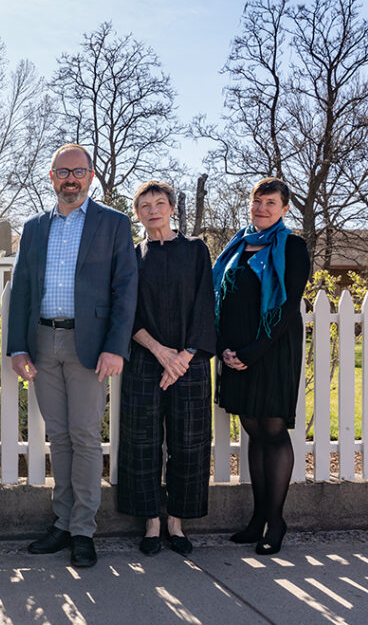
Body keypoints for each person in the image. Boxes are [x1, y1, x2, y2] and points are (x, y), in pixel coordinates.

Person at [6, 143, 137, 568]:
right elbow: (21, 289)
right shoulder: (34, 227)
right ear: (51, 176)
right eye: (63, 172)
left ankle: (83, 529)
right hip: (43, 342)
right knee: (57, 437)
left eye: (78, 171)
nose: (71, 179)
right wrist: (18, 346)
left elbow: (125, 290)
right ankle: (61, 523)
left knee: (84, 437)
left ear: (91, 176)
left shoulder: (113, 224)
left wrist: (116, 347)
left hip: (89, 345)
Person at [116, 181, 216, 557]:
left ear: (172, 208)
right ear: (137, 212)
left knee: (189, 444)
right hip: (146, 359)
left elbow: (206, 304)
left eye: (160, 203)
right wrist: (160, 352)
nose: (153, 210)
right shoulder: (131, 254)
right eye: (144, 205)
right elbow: (127, 310)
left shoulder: (195, 251)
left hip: (190, 363)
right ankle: (151, 523)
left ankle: (176, 521)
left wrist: (183, 357)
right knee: (141, 443)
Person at [213, 177, 310, 555]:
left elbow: (286, 309)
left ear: (285, 208)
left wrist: (253, 351)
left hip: (271, 352)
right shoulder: (236, 246)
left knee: (271, 430)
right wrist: (224, 349)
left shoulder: (293, 246)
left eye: (271, 203)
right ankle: (257, 519)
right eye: (257, 201)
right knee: (251, 429)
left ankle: (276, 520)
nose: (262, 208)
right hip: (235, 353)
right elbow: (221, 300)